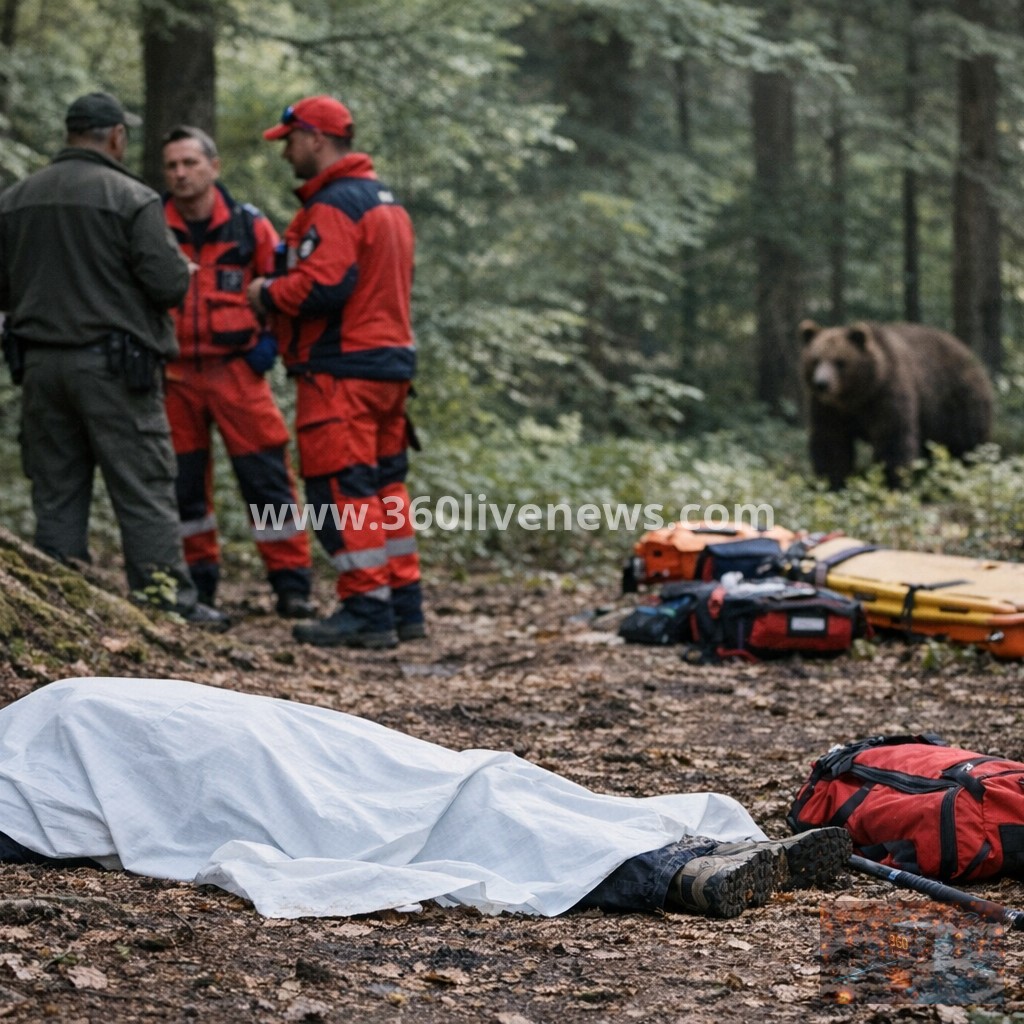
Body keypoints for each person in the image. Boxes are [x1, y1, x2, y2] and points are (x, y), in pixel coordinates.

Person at [0, 677, 852, 919]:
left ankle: (682, 857)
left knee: (453, 784)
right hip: (209, 758)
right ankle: (673, 871)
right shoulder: (33, 745)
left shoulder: (38, 722)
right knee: (422, 818)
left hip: (251, 735)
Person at [0, 93, 226, 628]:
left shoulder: (14, 201)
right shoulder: (132, 199)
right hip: (115, 370)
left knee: (56, 489)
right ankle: (165, 604)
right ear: (116, 137)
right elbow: (167, 282)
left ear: (70, 132)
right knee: (143, 485)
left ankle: (60, 607)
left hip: (39, 368)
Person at [247, 96, 424, 650]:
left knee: (340, 490)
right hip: (388, 368)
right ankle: (403, 605)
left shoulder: (335, 206)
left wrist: (265, 292)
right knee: (383, 487)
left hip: (341, 374)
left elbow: (323, 284)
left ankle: (366, 610)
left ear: (317, 139)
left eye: (291, 141)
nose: (286, 153)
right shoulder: (384, 201)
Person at [161, 126, 315, 618]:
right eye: (172, 166)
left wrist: (269, 346)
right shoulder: (151, 226)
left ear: (213, 166)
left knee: (266, 477)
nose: (181, 174)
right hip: (174, 375)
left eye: (190, 163)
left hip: (237, 371)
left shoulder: (250, 226)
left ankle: (292, 586)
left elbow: (283, 288)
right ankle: (198, 586)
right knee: (182, 484)